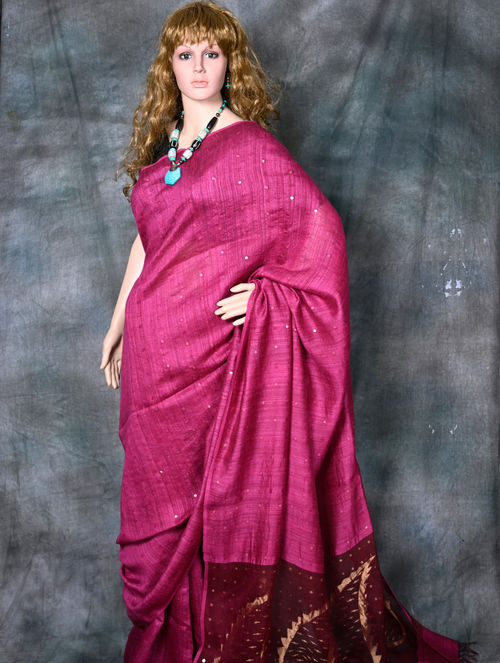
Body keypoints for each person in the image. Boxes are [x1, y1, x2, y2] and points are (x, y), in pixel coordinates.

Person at [100, 2, 476, 662]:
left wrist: (272, 294)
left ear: (229, 63)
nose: (198, 67)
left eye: (211, 53)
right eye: (185, 55)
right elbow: (149, 238)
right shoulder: (169, 149)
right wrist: (118, 322)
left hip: (214, 360)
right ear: (168, 66)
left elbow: (319, 231)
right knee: (158, 508)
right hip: (155, 361)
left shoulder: (249, 147)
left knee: (215, 503)